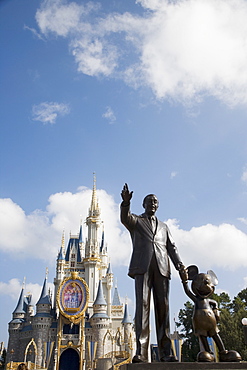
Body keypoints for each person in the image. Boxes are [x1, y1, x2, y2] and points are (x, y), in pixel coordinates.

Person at [120, 183, 187, 363]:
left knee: (163, 309)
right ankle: (141, 352)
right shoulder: (136, 221)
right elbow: (125, 218)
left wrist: (180, 265)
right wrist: (125, 203)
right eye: (150, 201)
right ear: (143, 204)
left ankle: (166, 352)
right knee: (142, 307)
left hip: (162, 268)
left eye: (156, 202)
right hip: (142, 268)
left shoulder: (164, 227)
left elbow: (171, 247)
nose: (153, 204)